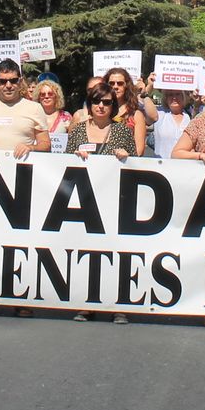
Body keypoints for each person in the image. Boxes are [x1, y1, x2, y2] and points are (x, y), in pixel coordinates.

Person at [65, 82, 137, 324]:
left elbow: (137, 168)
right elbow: (63, 165)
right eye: (97, 101)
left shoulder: (123, 132)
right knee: (87, 254)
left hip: (115, 202)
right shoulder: (76, 132)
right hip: (84, 203)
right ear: (90, 104)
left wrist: (127, 158)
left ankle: (118, 305)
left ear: (113, 106)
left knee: (115, 253)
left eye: (107, 102)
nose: (101, 106)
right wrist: (76, 158)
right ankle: (86, 303)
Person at [0, 60, 49, 157]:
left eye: (13, 81)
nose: (8, 85)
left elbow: (46, 144)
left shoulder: (35, 108)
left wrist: (31, 147)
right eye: (2, 81)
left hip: (22, 167)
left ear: (20, 81)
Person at [101, 67, 152, 156]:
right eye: (111, 83)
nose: (115, 87)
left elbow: (139, 151)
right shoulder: (100, 111)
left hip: (125, 164)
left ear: (126, 86)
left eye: (120, 83)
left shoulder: (136, 115)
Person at [149, 88, 194, 159]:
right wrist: (149, 88)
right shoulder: (159, 113)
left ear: (184, 96)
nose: (174, 97)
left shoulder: (191, 116)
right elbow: (145, 108)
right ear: (165, 98)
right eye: (170, 95)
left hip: (185, 165)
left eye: (177, 94)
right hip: (161, 166)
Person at [34, 78, 70, 150]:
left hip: (60, 159)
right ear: (38, 97)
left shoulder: (66, 117)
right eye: (42, 94)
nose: (46, 97)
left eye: (50, 94)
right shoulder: (33, 116)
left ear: (56, 96)